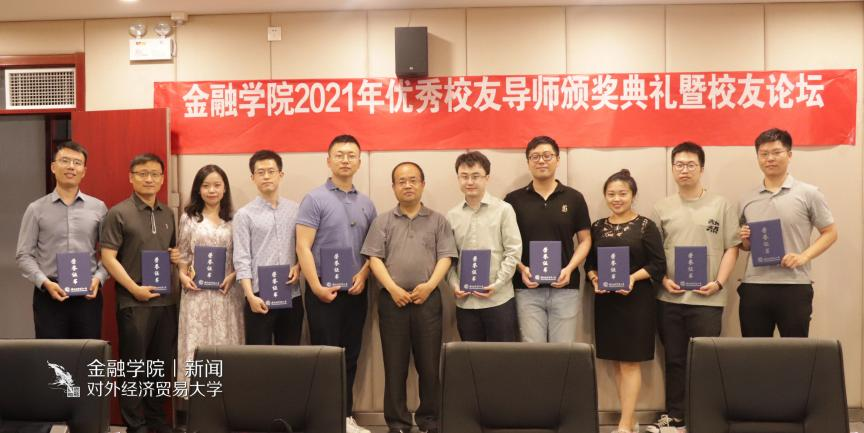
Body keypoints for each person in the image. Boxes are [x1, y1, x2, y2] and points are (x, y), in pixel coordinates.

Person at [647, 142, 740, 433]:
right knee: (674, 360)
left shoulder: (721, 205)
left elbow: (732, 247)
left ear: (701, 168)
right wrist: (663, 280)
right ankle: (676, 416)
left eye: (690, 164)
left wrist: (719, 282)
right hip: (669, 299)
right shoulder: (661, 207)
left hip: (708, 299)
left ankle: (705, 417)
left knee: (705, 360)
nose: (684, 170)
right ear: (672, 168)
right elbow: (654, 253)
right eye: (679, 164)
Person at [362, 162, 457, 433]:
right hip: (392, 301)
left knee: (430, 366)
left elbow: (446, 257)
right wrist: (392, 289)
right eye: (401, 181)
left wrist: (429, 286)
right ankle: (397, 423)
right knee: (395, 366)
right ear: (393, 187)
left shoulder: (438, 220)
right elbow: (374, 258)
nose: (407, 185)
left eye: (413, 180)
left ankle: (430, 421)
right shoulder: (382, 221)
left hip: (428, 300)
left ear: (423, 184)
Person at [296, 135, 376, 433]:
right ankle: (324, 419)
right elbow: (303, 246)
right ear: (328, 160)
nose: (345, 160)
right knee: (326, 357)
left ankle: (345, 417)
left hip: (355, 293)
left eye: (351, 155)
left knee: (351, 356)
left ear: (359, 161)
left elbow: (373, 250)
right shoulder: (314, 199)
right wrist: (316, 286)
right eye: (339, 154)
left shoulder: (366, 203)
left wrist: (364, 275)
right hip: (323, 293)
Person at [100, 153, 177, 433]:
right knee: (133, 367)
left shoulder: (168, 213)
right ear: (131, 177)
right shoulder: (118, 213)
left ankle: (157, 421)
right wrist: (134, 289)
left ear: (162, 178)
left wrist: (176, 256)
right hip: (133, 302)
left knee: (160, 366)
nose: (149, 179)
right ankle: (136, 425)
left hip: (166, 302)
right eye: (143, 173)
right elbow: (108, 258)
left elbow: (170, 251)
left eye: (155, 174)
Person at [585, 169, 666, 433]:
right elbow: (589, 264)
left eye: (622, 193)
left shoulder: (645, 226)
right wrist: (594, 278)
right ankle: (629, 419)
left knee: (630, 362)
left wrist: (631, 278)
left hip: (636, 302)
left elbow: (658, 265)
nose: (616, 199)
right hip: (607, 303)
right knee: (617, 363)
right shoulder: (597, 226)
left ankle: (623, 425)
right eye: (611, 194)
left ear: (633, 195)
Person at [738, 128, 837, 337]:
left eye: (776, 152)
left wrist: (804, 257)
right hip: (754, 286)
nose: (770, 158)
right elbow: (744, 246)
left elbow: (830, 232)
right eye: (764, 154)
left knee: (795, 351)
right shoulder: (747, 198)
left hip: (794, 285)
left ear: (789, 155)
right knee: (753, 351)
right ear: (758, 157)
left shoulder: (809, 193)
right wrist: (745, 240)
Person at [16, 141, 107, 339]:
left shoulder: (98, 208)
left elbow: (109, 253)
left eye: (77, 162)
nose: (71, 167)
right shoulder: (36, 209)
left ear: (84, 171)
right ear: (53, 167)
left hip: (87, 294)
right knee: (52, 354)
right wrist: (43, 282)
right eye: (65, 161)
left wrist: (99, 278)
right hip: (49, 294)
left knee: (87, 352)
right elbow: (24, 255)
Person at [504, 136, 591, 342]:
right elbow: (504, 244)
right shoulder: (513, 200)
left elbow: (585, 240)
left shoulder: (574, 198)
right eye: (535, 157)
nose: (541, 161)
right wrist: (522, 269)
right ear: (528, 162)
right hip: (527, 287)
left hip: (565, 288)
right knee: (533, 352)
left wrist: (569, 269)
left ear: (558, 159)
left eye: (547, 155)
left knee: (563, 351)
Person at [175, 164, 244, 387]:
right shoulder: (189, 218)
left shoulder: (235, 219)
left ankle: (227, 398)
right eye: (206, 186)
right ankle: (197, 398)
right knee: (197, 344)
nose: (211, 190)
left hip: (227, 293)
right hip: (197, 294)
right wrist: (182, 276)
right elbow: (183, 253)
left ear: (225, 189)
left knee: (226, 342)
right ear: (198, 189)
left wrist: (234, 275)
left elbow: (242, 255)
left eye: (217, 185)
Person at [445, 151, 522, 342]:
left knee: (502, 357)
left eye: (476, 176)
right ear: (458, 179)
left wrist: (498, 284)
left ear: (487, 178)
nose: (470, 181)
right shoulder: (451, 216)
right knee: (472, 358)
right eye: (464, 176)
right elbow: (448, 259)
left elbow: (513, 251)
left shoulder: (504, 210)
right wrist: (454, 285)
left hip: (499, 300)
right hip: (466, 303)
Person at [233, 150, 303, 345]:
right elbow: (241, 258)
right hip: (259, 295)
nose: (266, 176)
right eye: (260, 172)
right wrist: (249, 296)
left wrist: (298, 267)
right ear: (253, 178)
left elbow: (304, 248)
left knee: (290, 355)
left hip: (291, 294)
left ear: (281, 174)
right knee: (258, 357)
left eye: (271, 171)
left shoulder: (296, 210)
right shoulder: (244, 215)